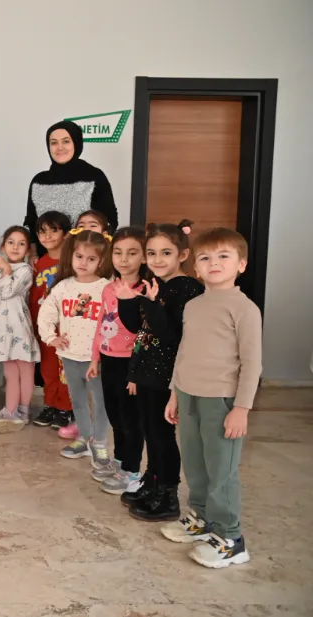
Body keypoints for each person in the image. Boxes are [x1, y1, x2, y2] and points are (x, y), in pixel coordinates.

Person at [163, 228, 261, 569]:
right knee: (195, 464)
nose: (213, 263)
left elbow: (252, 363)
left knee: (221, 471)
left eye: (223, 256)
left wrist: (241, 408)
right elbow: (184, 351)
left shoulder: (244, 309)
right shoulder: (193, 305)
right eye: (205, 257)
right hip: (188, 395)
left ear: (241, 264)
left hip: (221, 401)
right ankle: (202, 519)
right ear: (196, 267)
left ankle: (230, 538)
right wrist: (175, 393)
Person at [116, 220, 204, 522]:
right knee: (150, 432)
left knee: (161, 436)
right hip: (146, 372)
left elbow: (170, 335)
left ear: (183, 255)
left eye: (166, 253)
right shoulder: (155, 284)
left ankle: (167, 495)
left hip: (166, 376)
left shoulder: (188, 288)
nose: (157, 260)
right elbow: (138, 329)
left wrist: (151, 304)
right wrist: (127, 301)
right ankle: (152, 482)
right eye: (151, 253)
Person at [37, 229, 113, 467]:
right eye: (79, 256)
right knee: (77, 401)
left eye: (91, 258)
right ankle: (84, 438)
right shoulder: (63, 287)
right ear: (71, 256)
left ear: (101, 261)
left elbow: (116, 321)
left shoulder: (107, 288)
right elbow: (46, 313)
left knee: (100, 402)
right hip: (69, 356)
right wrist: (51, 337)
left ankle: (100, 443)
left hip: (97, 358)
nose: (83, 263)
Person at [89, 227, 147, 496]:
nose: (124, 259)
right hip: (108, 359)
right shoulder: (108, 288)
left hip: (131, 363)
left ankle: (132, 471)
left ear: (144, 257)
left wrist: (137, 371)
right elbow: (101, 324)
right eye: (118, 253)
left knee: (131, 418)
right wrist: (95, 358)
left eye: (132, 253)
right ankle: (121, 461)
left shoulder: (145, 290)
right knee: (114, 414)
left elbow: (145, 333)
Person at [0, 226, 40, 433]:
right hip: (2, 329)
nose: (15, 247)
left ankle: (22, 410)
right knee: (10, 372)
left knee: (25, 369)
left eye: (21, 244)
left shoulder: (25, 270)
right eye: (11, 242)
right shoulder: (1, 270)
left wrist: (6, 270)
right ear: (3, 246)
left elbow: (9, 291)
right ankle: (11, 409)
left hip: (18, 327)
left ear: (27, 250)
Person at [24, 120, 118, 256]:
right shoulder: (39, 180)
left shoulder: (93, 176)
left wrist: (96, 253)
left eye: (66, 141)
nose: (60, 147)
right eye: (54, 143)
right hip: (47, 258)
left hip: (84, 258)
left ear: (76, 143)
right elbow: (32, 220)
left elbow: (109, 219)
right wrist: (33, 253)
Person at [29, 211, 75, 432]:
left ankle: (66, 407)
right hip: (43, 326)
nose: (47, 236)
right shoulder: (39, 263)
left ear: (66, 234)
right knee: (47, 369)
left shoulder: (72, 261)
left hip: (65, 328)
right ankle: (50, 404)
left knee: (64, 369)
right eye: (42, 232)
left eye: (53, 231)